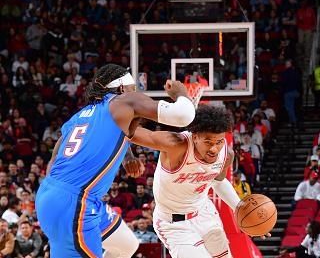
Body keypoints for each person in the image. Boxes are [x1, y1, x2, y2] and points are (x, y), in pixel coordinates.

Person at [35, 64, 196, 258]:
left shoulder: (78, 118)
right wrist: (182, 94)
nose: (135, 92)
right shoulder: (125, 101)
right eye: (133, 88)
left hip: (53, 194)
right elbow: (183, 115)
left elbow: (53, 162)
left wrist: (127, 156)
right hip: (75, 203)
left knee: (126, 246)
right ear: (122, 89)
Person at [131, 105, 261, 258]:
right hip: (174, 223)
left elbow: (218, 181)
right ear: (195, 136)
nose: (214, 148)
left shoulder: (226, 154)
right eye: (208, 142)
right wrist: (128, 156)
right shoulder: (176, 145)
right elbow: (127, 129)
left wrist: (240, 208)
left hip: (205, 213)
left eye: (219, 142)